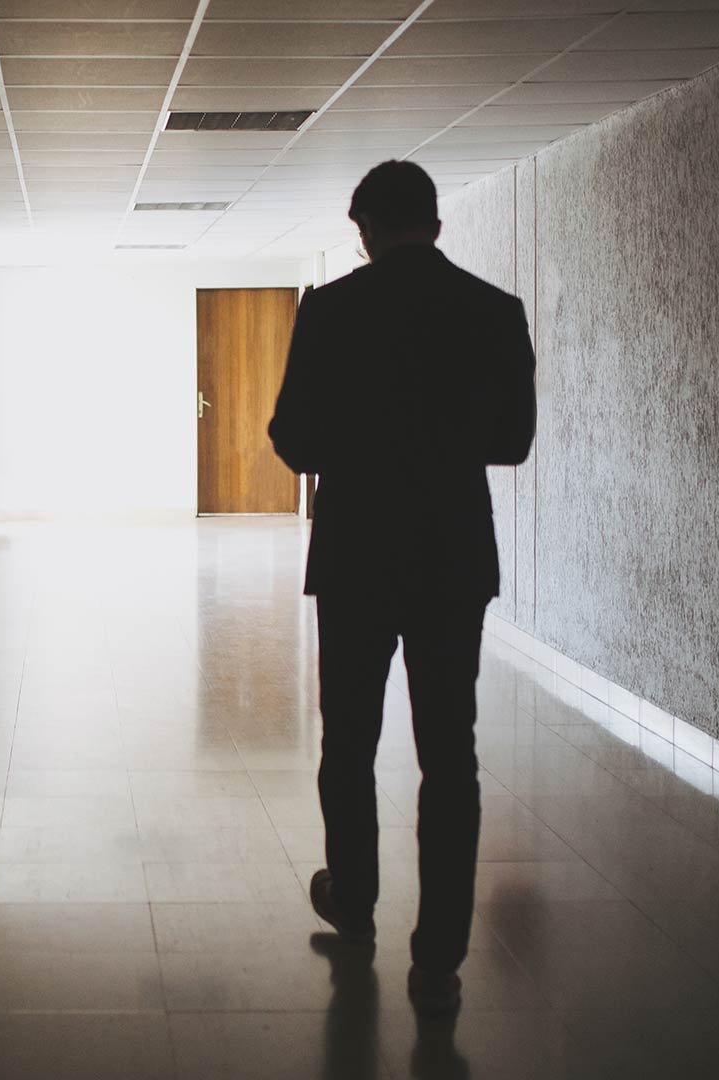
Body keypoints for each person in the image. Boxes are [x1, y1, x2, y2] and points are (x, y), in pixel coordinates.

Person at [267, 159, 536, 1020]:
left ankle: (353, 899)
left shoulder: (332, 309)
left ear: (366, 230)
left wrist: (356, 442)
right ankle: (439, 961)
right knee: (449, 757)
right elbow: (514, 441)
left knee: (348, 738)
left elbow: (294, 440)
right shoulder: (494, 312)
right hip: (453, 558)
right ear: (436, 224)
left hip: (356, 557)